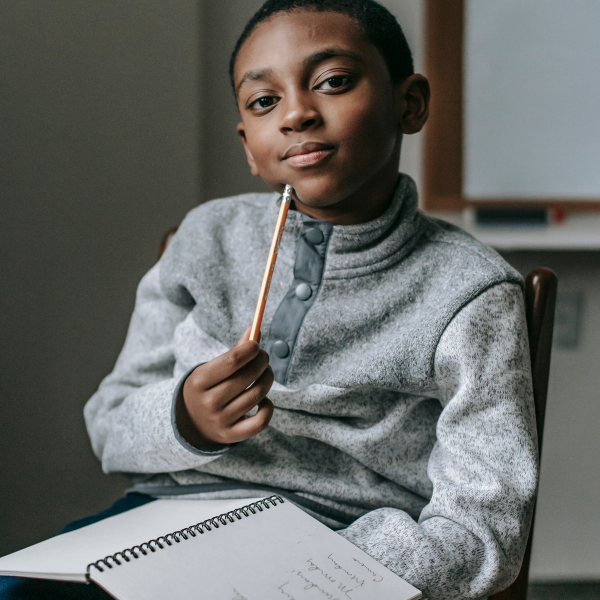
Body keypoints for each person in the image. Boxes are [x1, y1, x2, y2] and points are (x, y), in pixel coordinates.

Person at [0, 1, 538, 598]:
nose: (298, 114)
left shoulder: (471, 293)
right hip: (167, 518)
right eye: (264, 102)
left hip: (351, 546)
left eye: (333, 82)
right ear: (249, 147)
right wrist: (187, 418)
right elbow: (109, 424)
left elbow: (482, 530)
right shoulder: (206, 238)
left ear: (408, 103)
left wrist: (333, 573)